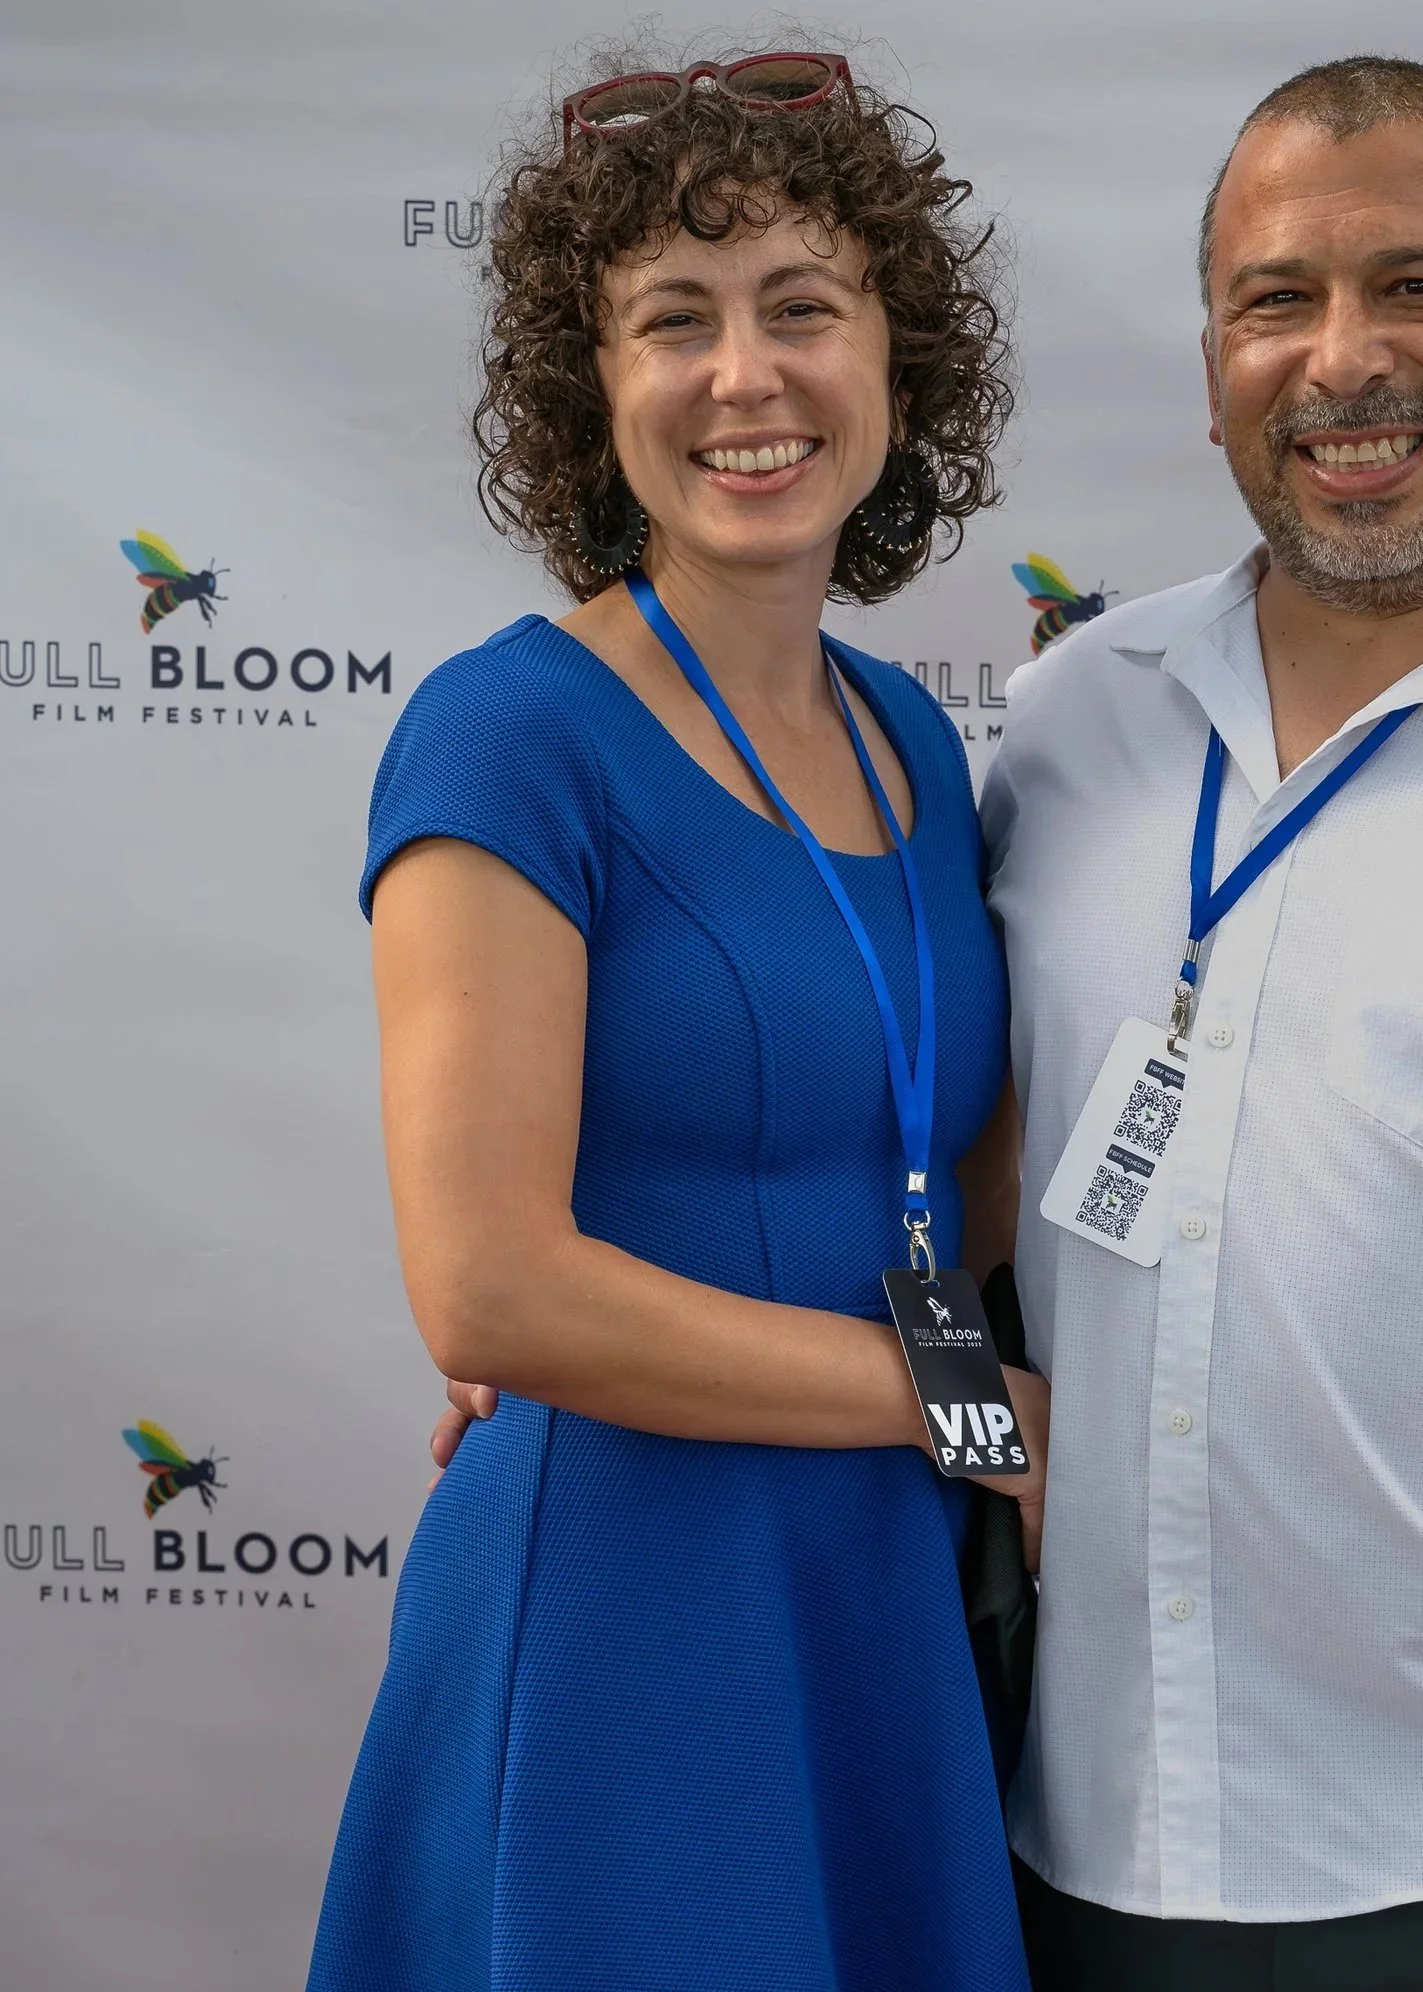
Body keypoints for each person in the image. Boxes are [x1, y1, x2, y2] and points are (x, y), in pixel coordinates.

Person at [307, 48, 1045, 1992]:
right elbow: (491, 1295)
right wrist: (961, 1409)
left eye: (804, 307)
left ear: (897, 357)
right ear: (593, 382)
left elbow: (937, 1179)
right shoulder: (509, 733)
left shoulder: (908, 738)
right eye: (674, 323)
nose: (747, 378)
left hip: (870, 1588)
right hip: (624, 1601)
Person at [979, 54, 1423, 1992]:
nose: (1346, 362)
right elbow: (902, 1135)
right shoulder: (1071, 718)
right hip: (1062, 1832)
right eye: (1279, 299)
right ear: (1211, 358)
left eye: (1413, 288)